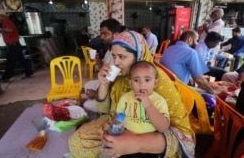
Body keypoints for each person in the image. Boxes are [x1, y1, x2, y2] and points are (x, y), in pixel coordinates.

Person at [68, 30, 195, 158]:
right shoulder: (121, 76)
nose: (116, 62)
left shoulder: (157, 80)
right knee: (77, 143)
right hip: (120, 123)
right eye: (114, 56)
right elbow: (105, 110)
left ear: (138, 55)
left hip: (150, 133)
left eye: (122, 57)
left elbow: (181, 133)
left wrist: (137, 142)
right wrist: (104, 84)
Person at [116, 61, 170, 135]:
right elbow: (118, 117)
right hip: (127, 135)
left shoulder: (159, 101)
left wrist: (148, 105)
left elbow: (163, 128)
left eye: (147, 80)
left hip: (149, 139)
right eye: (136, 80)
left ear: (155, 83)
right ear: (130, 83)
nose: (142, 84)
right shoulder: (125, 98)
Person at [160, 29, 215, 94]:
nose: (197, 44)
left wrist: (189, 77)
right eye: (197, 40)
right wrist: (212, 91)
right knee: (211, 96)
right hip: (178, 88)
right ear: (190, 40)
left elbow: (178, 66)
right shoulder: (191, 52)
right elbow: (199, 79)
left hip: (165, 83)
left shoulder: (170, 48)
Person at [0, 9, 33, 82]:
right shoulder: (5, 22)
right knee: (22, 60)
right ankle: (28, 73)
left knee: (10, 62)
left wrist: (1, 30)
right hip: (15, 45)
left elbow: (10, 30)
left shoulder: (6, 22)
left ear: (1, 16)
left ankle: (5, 77)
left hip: (13, 46)